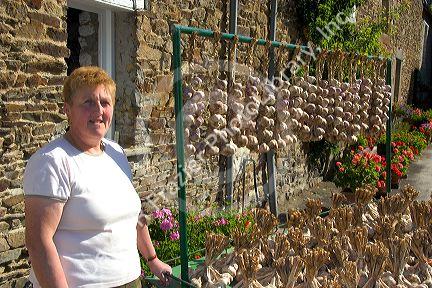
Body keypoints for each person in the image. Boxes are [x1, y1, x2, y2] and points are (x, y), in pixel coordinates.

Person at [24, 66, 172, 287]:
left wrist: (153, 260)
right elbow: (38, 242)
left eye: (105, 102)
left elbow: (135, 218)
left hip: (130, 280)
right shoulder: (52, 161)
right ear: (68, 109)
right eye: (88, 102)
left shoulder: (116, 153)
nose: (99, 111)